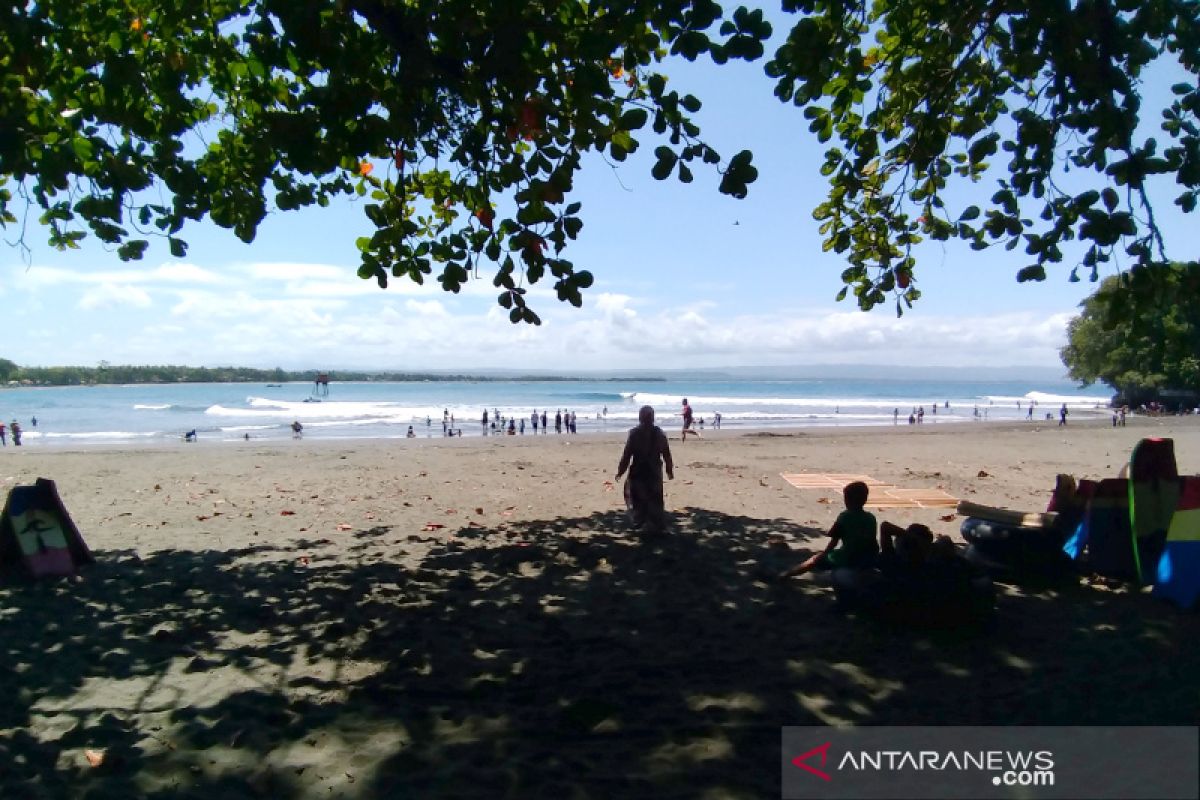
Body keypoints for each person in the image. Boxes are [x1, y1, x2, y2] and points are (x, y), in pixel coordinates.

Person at [780, 481, 878, 578]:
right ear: (865, 499)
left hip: (848, 557)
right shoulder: (871, 518)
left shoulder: (845, 517)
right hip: (865, 557)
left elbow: (834, 540)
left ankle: (788, 574)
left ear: (847, 500)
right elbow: (873, 542)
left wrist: (824, 554)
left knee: (815, 559)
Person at [615, 405, 675, 534]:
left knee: (637, 498)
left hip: (639, 471)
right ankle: (657, 524)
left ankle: (639, 522)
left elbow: (627, 455)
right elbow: (667, 454)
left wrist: (620, 471)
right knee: (655, 498)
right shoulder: (660, 434)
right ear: (653, 418)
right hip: (655, 471)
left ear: (640, 417)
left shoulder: (634, 434)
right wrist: (669, 471)